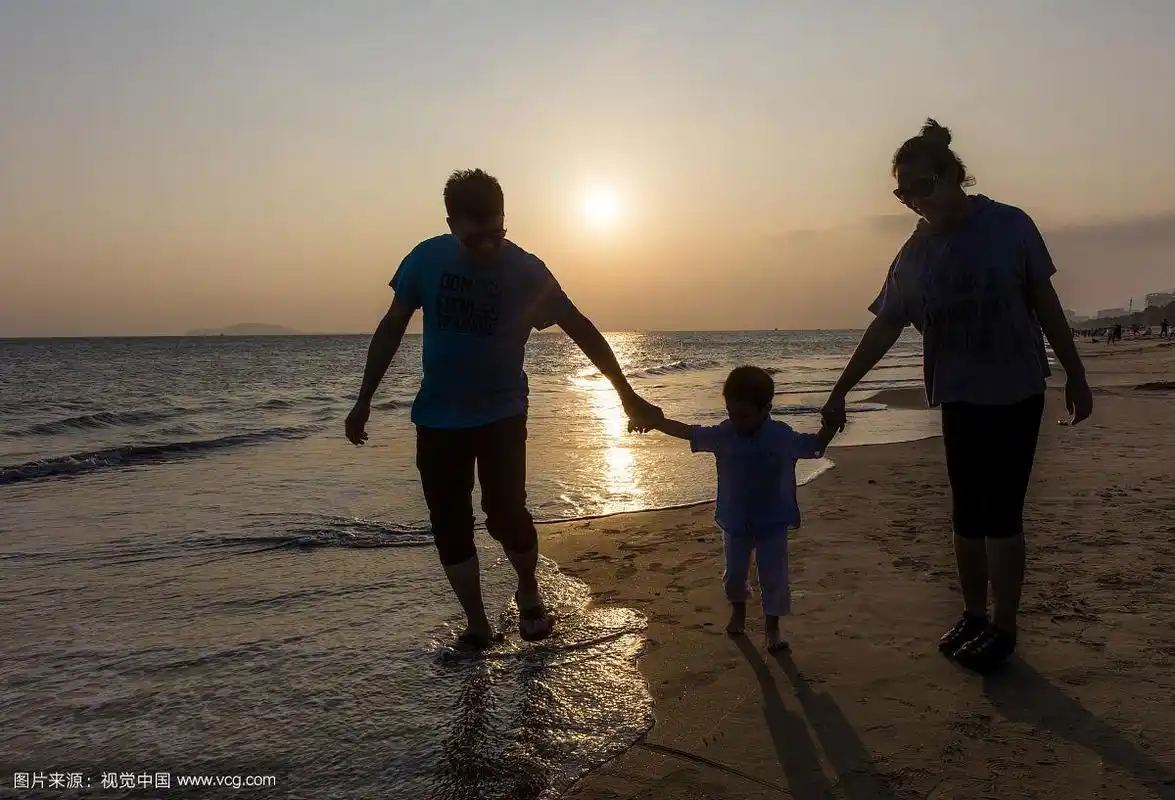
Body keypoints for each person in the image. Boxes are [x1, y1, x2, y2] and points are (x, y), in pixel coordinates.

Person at [344, 169, 662, 648]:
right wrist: (363, 399)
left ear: (505, 219)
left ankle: (529, 593)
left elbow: (582, 329)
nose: (490, 246)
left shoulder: (527, 271)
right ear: (451, 223)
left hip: (502, 415)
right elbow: (391, 329)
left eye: (498, 232)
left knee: (506, 515)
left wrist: (625, 393)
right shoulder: (425, 260)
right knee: (449, 527)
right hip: (437, 419)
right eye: (477, 238)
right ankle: (476, 623)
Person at [820, 120, 1094, 674]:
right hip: (958, 396)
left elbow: (1045, 301)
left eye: (923, 188)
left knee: (1002, 511)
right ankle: (973, 614)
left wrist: (1076, 373)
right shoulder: (915, 255)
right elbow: (885, 327)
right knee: (966, 514)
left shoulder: (1010, 227)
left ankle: (1005, 626)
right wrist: (840, 389)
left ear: (952, 177)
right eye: (904, 194)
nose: (916, 203)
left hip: (1015, 390)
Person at [636, 366, 837, 653]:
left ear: (766, 408)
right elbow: (689, 432)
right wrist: (655, 422)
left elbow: (815, 447)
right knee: (734, 576)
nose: (736, 421)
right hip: (736, 520)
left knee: (774, 577)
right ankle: (738, 609)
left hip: (772, 521)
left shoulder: (781, 436)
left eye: (743, 415)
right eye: (731, 413)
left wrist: (829, 426)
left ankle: (772, 627)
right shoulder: (725, 434)